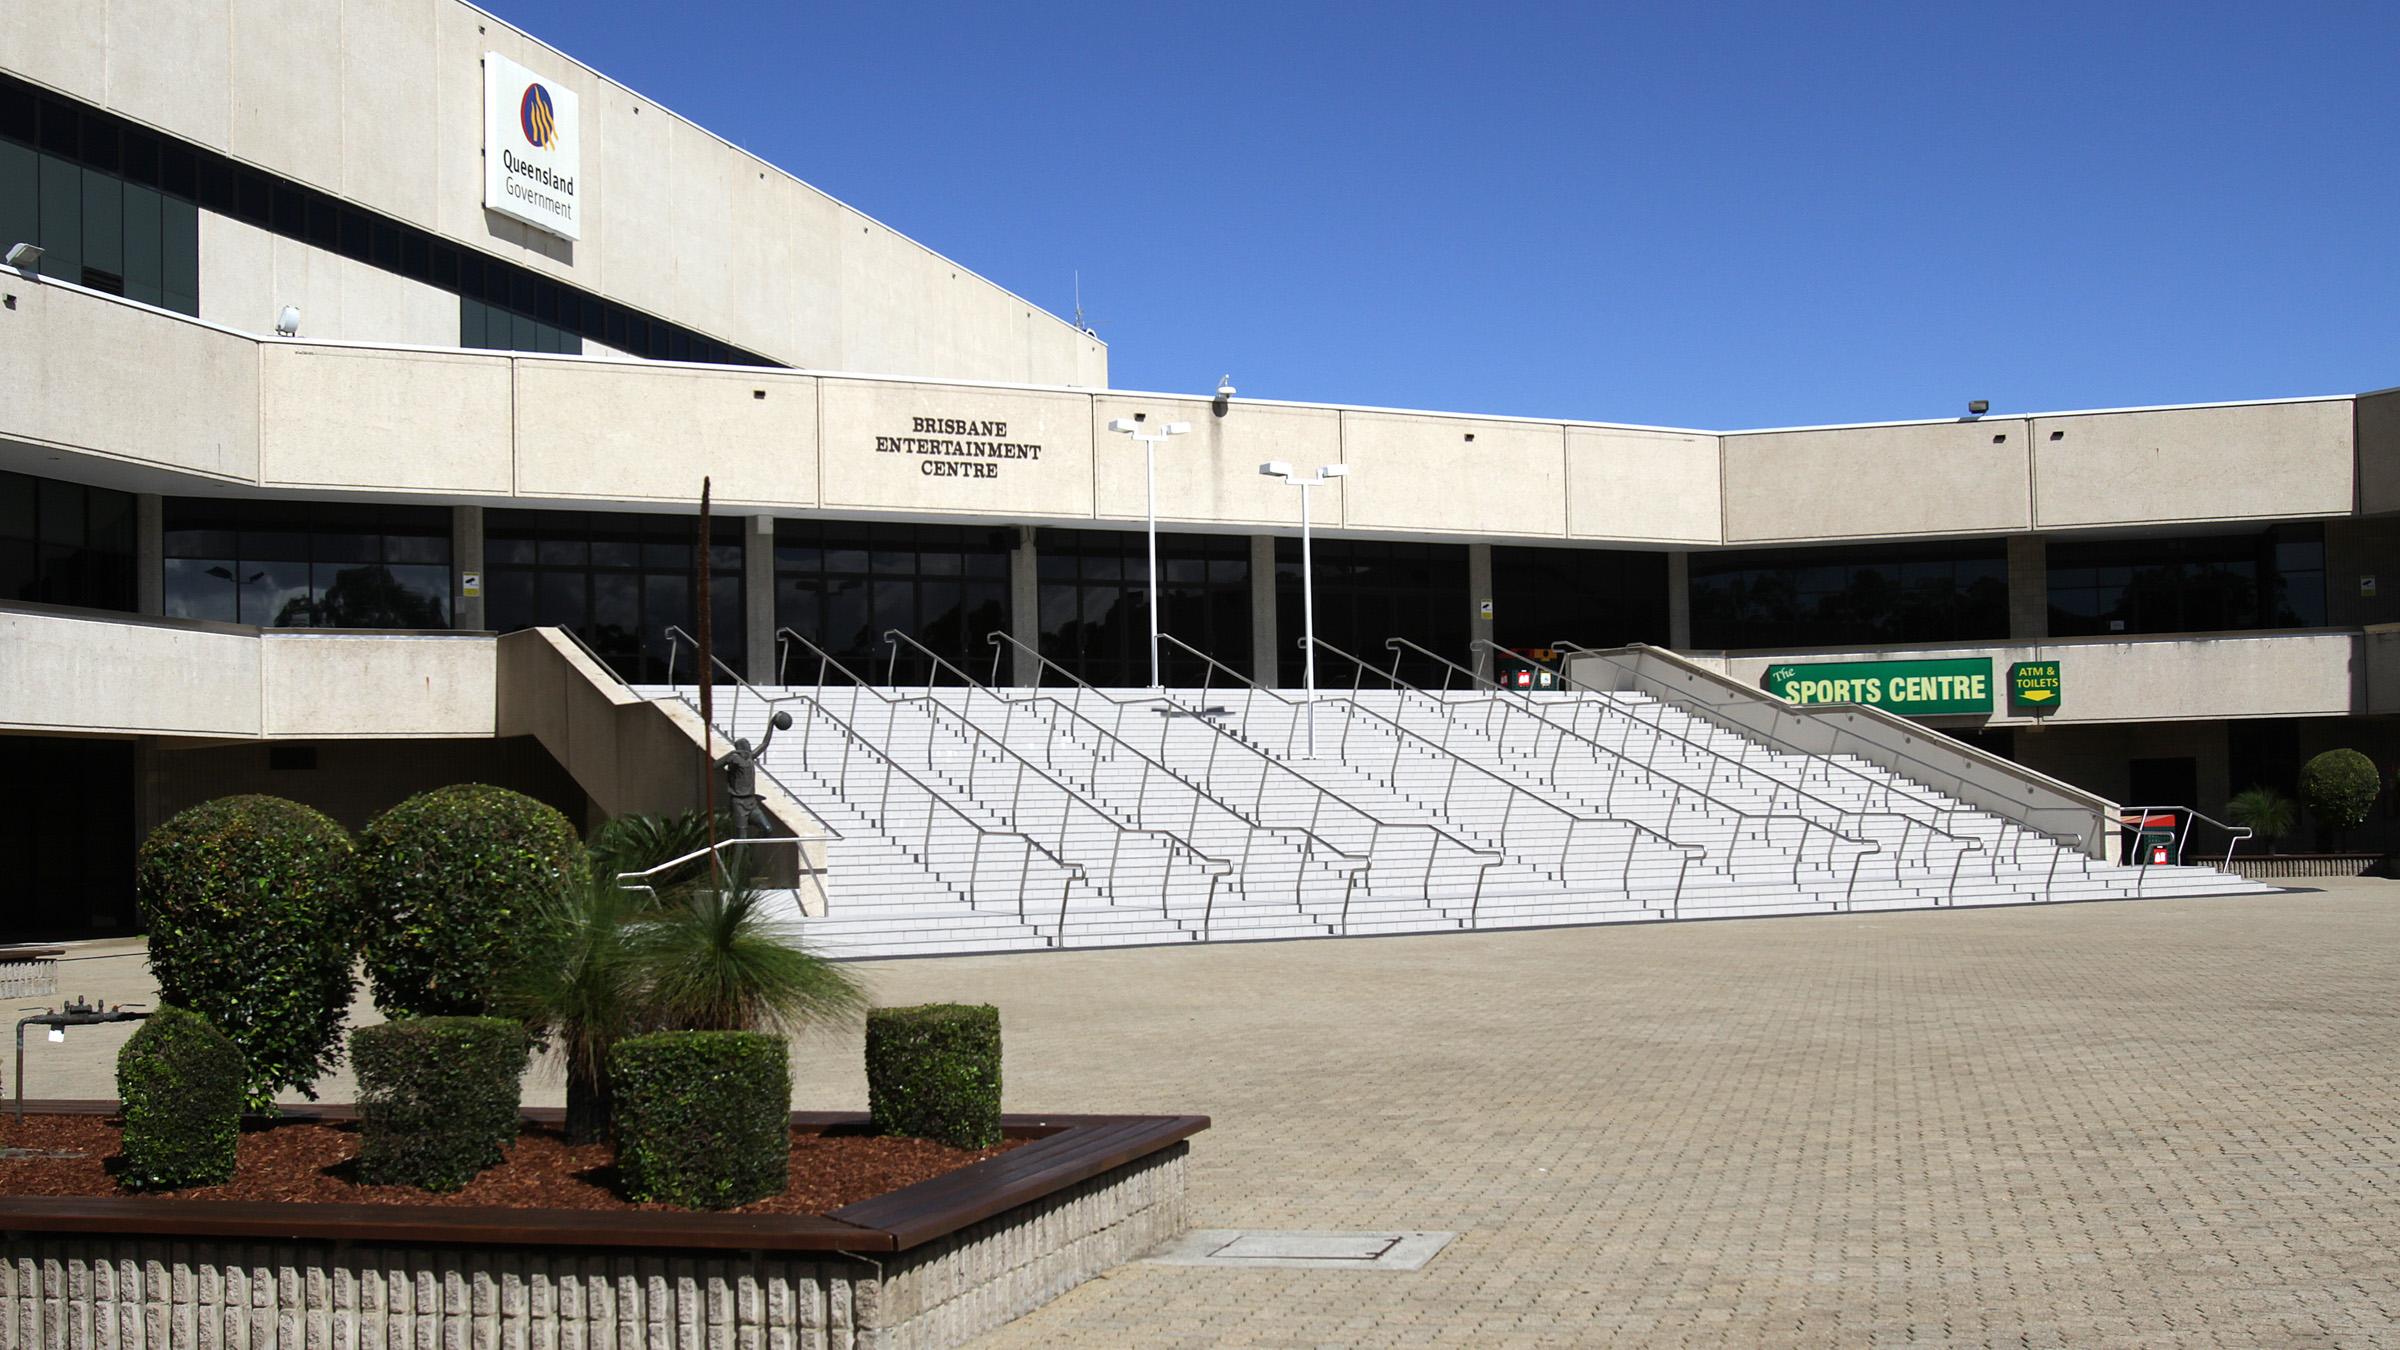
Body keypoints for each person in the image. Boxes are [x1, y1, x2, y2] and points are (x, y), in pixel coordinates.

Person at [717, 709, 793, 839]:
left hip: (751, 802)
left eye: (748, 744)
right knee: (742, 837)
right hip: (738, 803)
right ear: (740, 748)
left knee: (767, 829)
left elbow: (764, 743)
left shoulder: (751, 758)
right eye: (746, 745)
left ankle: (752, 847)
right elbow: (715, 765)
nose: (749, 747)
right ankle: (739, 858)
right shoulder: (734, 760)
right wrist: (730, 755)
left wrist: (771, 724)